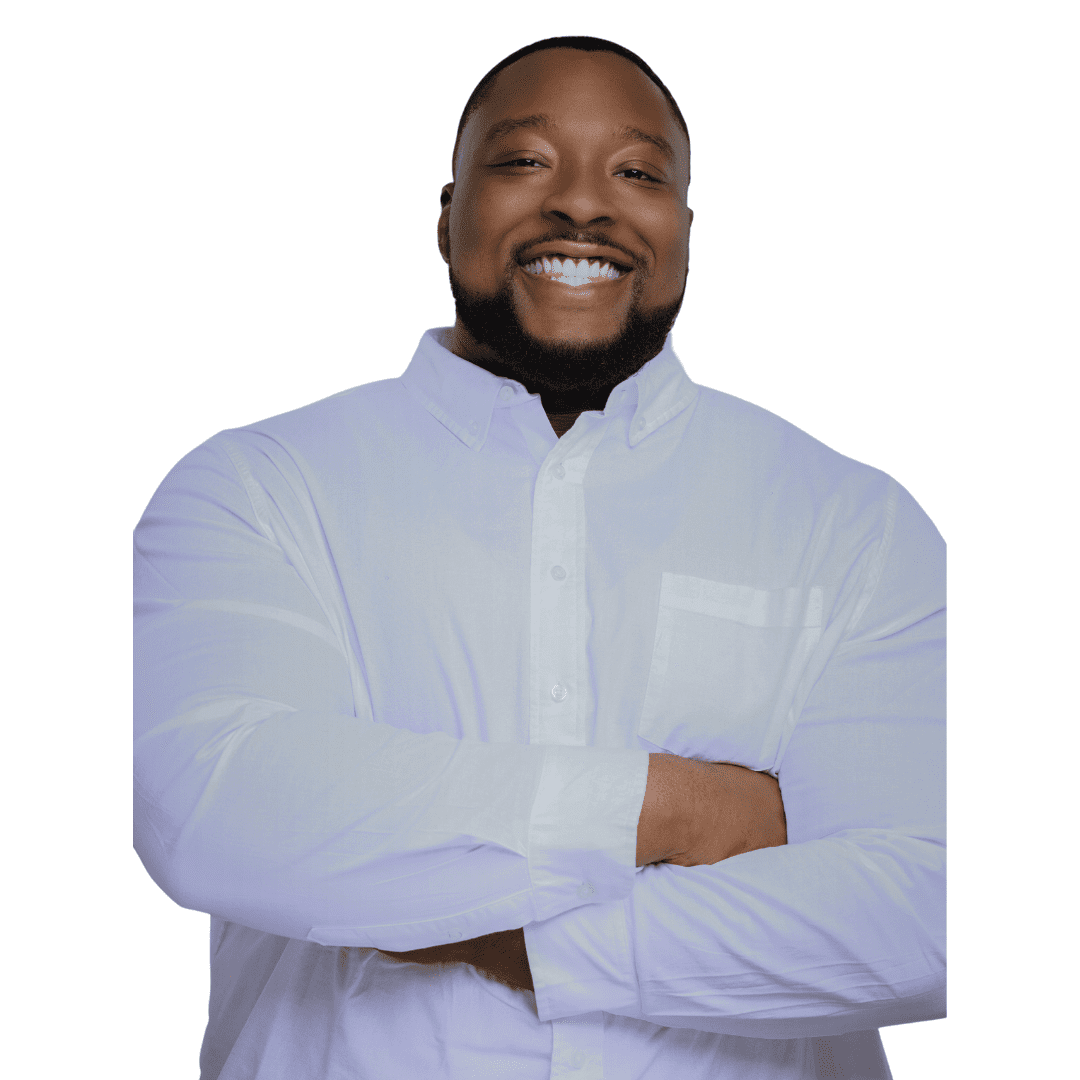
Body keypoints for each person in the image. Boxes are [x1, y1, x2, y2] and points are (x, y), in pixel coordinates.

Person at [133, 35, 945, 1080]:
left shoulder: (855, 526)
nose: (582, 206)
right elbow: (217, 806)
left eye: (637, 173)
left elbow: (930, 916)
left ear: (684, 232)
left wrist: (517, 944)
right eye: (525, 162)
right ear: (446, 212)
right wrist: (674, 809)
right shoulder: (256, 491)